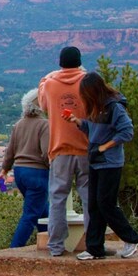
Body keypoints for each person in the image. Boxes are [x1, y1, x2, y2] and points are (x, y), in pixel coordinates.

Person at [66, 72, 138, 260]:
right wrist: (77, 122)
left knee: (106, 203)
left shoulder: (114, 107)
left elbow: (127, 131)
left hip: (110, 162)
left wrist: (104, 147)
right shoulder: (96, 108)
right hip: (96, 161)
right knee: (94, 205)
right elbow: (93, 130)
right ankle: (95, 248)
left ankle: (131, 238)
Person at [37, 46, 90, 257]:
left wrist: (47, 77)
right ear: (79, 62)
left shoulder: (50, 84)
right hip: (86, 147)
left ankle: (56, 245)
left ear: (60, 62)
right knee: (88, 198)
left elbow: (42, 105)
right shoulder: (88, 82)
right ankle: (93, 242)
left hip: (59, 148)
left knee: (58, 198)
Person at [0, 89, 50, 248]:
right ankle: (14, 249)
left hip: (19, 172)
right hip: (37, 173)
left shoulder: (18, 124)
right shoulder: (44, 125)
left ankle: (48, 242)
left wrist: (4, 170)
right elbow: (46, 152)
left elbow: (10, 151)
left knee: (43, 210)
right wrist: (55, 169)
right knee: (31, 215)